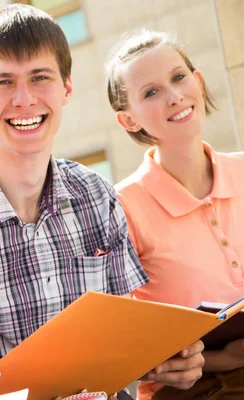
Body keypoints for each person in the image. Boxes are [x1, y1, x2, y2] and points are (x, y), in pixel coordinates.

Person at [0, 4, 205, 398]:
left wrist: (166, 362)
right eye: (3, 82)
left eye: (40, 78)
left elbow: (124, 337)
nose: (24, 99)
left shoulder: (96, 194)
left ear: (67, 88)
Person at [108, 30, 244, 400]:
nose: (174, 96)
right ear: (128, 120)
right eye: (151, 92)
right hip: (194, 390)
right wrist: (221, 358)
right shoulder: (120, 205)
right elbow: (119, 342)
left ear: (197, 81)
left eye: (179, 78)